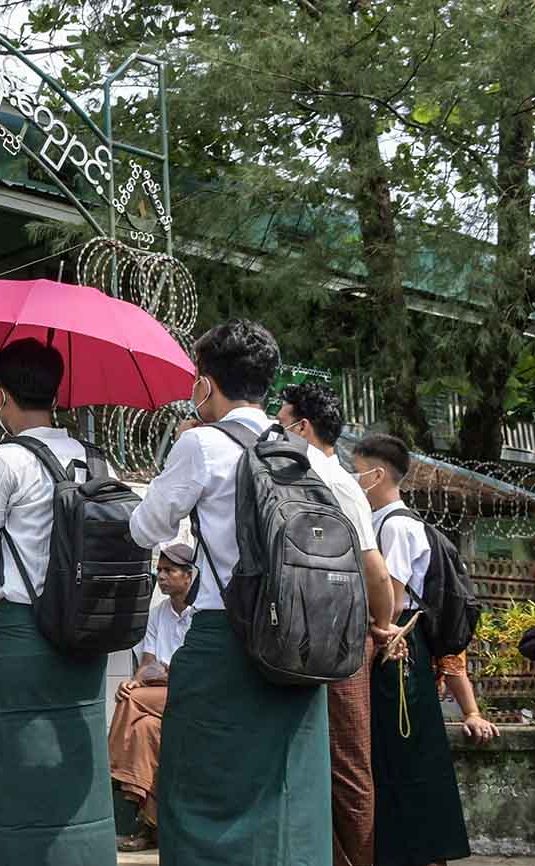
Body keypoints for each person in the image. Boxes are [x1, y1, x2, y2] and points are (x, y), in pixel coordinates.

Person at [128, 319, 331, 866]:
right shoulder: (297, 451)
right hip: (299, 639)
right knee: (286, 790)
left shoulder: (200, 443)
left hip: (225, 637)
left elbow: (144, 529)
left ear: (205, 384)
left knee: (199, 785)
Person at [0, 337, 118, 866]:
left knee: (17, 767)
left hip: (25, 632)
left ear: (1, 396)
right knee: (75, 763)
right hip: (85, 634)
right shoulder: (95, 459)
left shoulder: (5, 460)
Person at [353, 433, 497, 866]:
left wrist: (372, 627)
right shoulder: (385, 522)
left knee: (403, 751)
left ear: (377, 474)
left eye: (357, 470)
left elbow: (392, 600)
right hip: (395, 645)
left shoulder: (396, 526)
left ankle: (417, 851)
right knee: (396, 750)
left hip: (396, 645)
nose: (352, 478)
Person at [278, 383, 396, 866]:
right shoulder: (319, 478)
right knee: (341, 759)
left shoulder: (321, 479)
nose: (276, 431)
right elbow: (374, 571)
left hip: (311, 635)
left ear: (303, 428)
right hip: (332, 633)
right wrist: (381, 623)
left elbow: (376, 568)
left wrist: (381, 623)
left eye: (282, 422)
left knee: (333, 759)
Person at [108, 542, 196, 854]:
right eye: (159, 570)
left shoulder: (202, 614)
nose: (161, 576)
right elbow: (148, 664)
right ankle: (151, 827)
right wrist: (133, 682)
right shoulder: (158, 613)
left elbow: (188, 671)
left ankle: (112, 765)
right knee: (144, 729)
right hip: (157, 694)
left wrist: (161, 675)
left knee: (132, 702)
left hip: (188, 695)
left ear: (189, 576)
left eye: (169, 571)